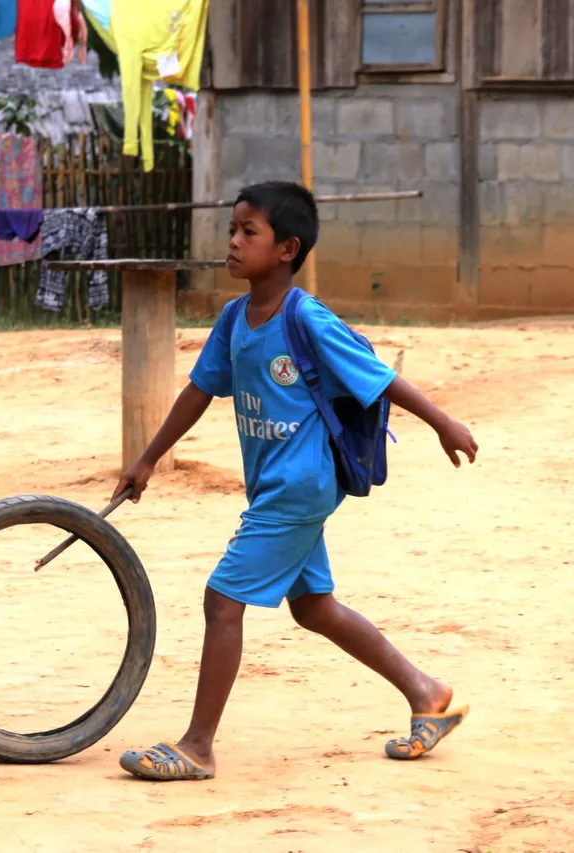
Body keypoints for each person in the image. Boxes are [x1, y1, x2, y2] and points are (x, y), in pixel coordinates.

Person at [113, 181, 479, 782]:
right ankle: (427, 693)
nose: (232, 242)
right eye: (231, 231)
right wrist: (148, 459)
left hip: (300, 484)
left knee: (223, 600)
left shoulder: (305, 317)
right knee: (313, 607)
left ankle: (197, 747)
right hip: (274, 483)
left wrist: (443, 422)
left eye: (247, 233)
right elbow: (199, 390)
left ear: (286, 249)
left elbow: (379, 376)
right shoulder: (236, 319)